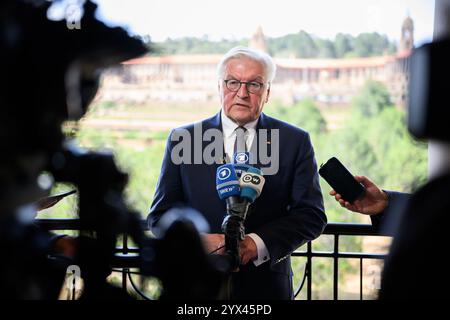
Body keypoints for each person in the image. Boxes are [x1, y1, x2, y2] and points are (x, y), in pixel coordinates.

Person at [148, 46, 327, 300]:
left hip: (265, 290)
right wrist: (197, 242)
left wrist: (256, 244)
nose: (242, 93)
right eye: (233, 82)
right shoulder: (183, 139)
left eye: (254, 84)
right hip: (195, 289)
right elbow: (159, 216)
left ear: (267, 92)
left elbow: (312, 215)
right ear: (220, 86)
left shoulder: (294, 141)